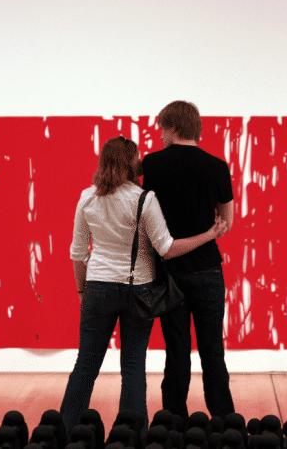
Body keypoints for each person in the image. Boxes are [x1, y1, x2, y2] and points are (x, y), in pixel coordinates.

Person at [60, 136, 227, 438]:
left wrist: (82, 290)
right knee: (133, 367)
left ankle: (63, 432)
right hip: (139, 290)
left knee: (85, 364)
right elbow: (166, 248)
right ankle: (131, 436)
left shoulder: (86, 198)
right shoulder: (143, 199)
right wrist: (208, 234)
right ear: (131, 162)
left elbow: (78, 252)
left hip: (98, 288)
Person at [142, 100, 236, 421]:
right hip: (208, 269)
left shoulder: (152, 164)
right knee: (212, 350)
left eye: (161, 130)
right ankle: (224, 421)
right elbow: (226, 222)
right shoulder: (217, 166)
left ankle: (174, 421)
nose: (160, 136)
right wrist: (211, 229)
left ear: (171, 127)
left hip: (169, 273)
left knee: (177, 350)